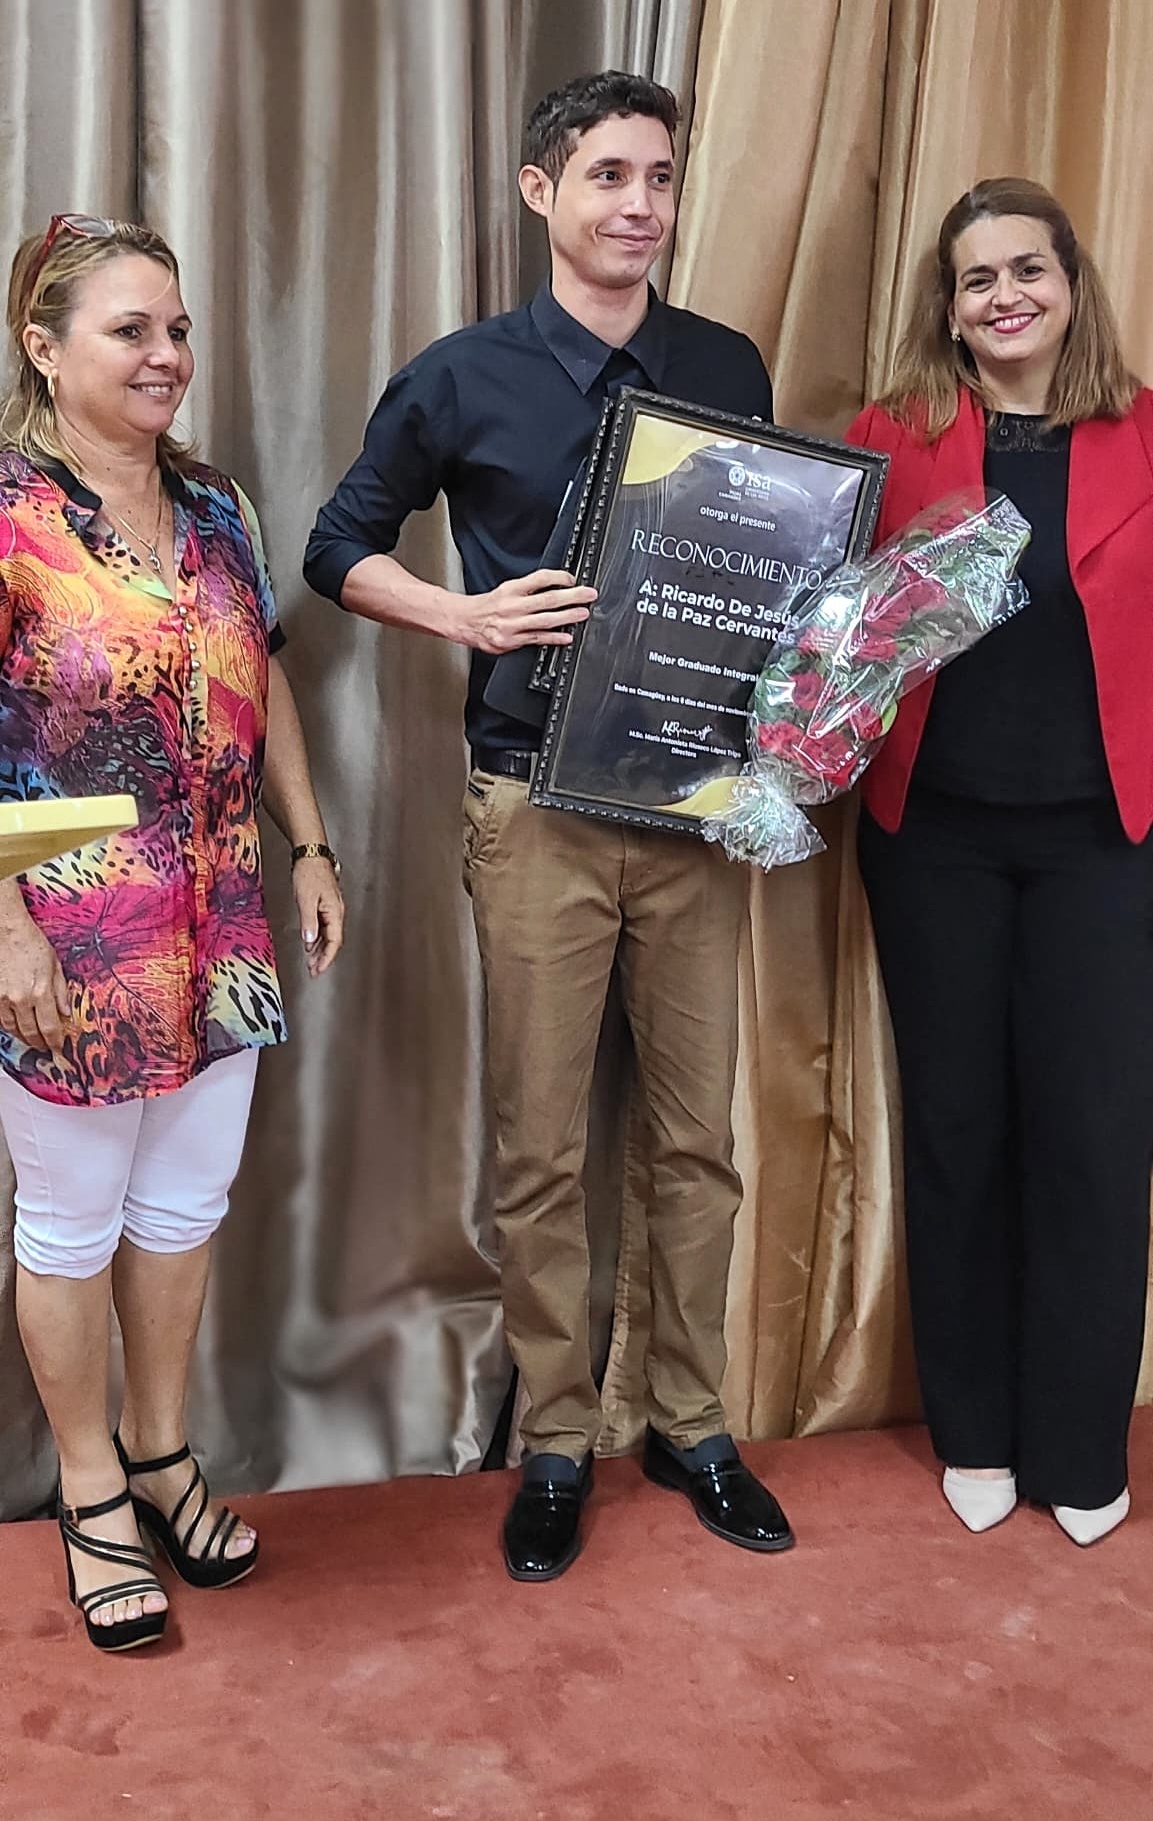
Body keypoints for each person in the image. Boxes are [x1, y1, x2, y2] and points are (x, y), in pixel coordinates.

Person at [304, 71, 792, 1580]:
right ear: (540, 193)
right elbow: (336, 547)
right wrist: (457, 610)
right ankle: (561, 1439)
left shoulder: (726, 362)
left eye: (657, 177)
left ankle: (693, 1423)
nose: (636, 204)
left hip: (696, 808)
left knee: (695, 1140)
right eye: (606, 177)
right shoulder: (461, 373)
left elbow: (760, 573)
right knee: (535, 1152)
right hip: (532, 805)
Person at [0, 215, 344, 1651]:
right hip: (69, 921)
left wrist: (311, 840)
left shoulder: (218, 509)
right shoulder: (11, 516)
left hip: (227, 919)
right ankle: (89, 1489)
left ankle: (158, 1446)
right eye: (131, 330)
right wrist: (8, 922)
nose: (166, 356)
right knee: (71, 1224)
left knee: (183, 1207)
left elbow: (261, 668)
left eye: (178, 330)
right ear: (44, 349)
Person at [845, 178, 1153, 1545]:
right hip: (934, 840)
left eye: (1025, 268)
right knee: (959, 1130)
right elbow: (823, 627)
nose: (1003, 295)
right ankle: (971, 1427)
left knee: (1094, 1140)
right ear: (948, 305)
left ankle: (1079, 1442)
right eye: (976, 278)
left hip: (1108, 845)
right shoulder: (886, 436)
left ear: (1069, 282)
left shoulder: (1147, 432)